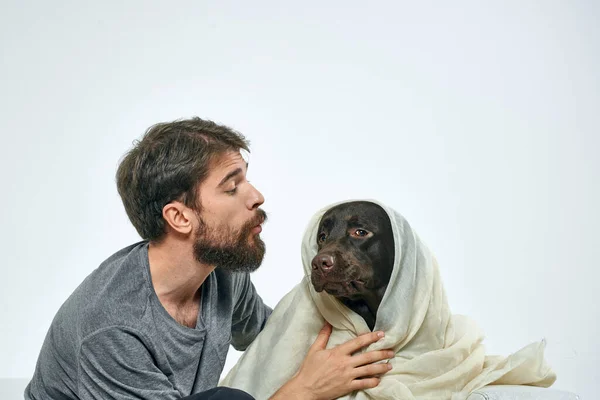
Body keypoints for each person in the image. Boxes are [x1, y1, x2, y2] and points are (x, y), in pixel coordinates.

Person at [25, 117, 393, 400]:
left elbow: (271, 338)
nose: (257, 196)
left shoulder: (222, 272)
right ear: (180, 217)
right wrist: (305, 390)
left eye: (247, 180)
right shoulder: (111, 328)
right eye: (232, 187)